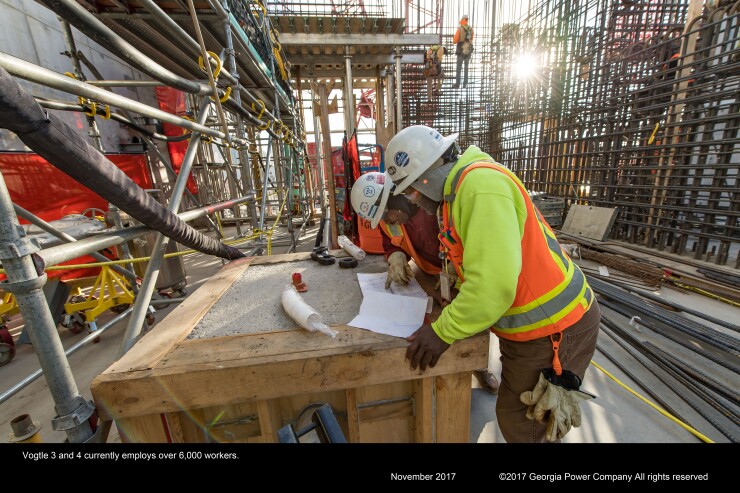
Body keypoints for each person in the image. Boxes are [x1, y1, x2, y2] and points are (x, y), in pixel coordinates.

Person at [382, 125, 601, 443]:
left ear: (429, 172)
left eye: (412, 189)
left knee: (522, 424)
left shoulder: (480, 187)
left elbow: (493, 286)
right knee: (522, 416)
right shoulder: (456, 195)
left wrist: (442, 331)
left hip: (556, 328)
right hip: (534, 329)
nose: (414, 199)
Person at [350, 171, 500, 395]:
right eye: (380, 218)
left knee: (467, 317)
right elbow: (390, 241)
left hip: (459, 271)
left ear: (397, 197)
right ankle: (448, 367)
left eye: (386, 214)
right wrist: (395, 256)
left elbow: (471, 243)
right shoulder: (389, 221)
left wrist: (456, 275)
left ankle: (476, 363)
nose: (387, 221)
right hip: (429, 273)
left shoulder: (433, 208)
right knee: (435, 320)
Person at [452, 14, 474, 88]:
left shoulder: (460, 29)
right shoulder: (471, 29)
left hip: (461, 51)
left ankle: (457, 84)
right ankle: (465, 84)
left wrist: (457, 38)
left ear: (462, 20)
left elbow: (454, 41)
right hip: (468, 50)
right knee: (466, 68)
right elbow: (471, 39)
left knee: (459, 68)